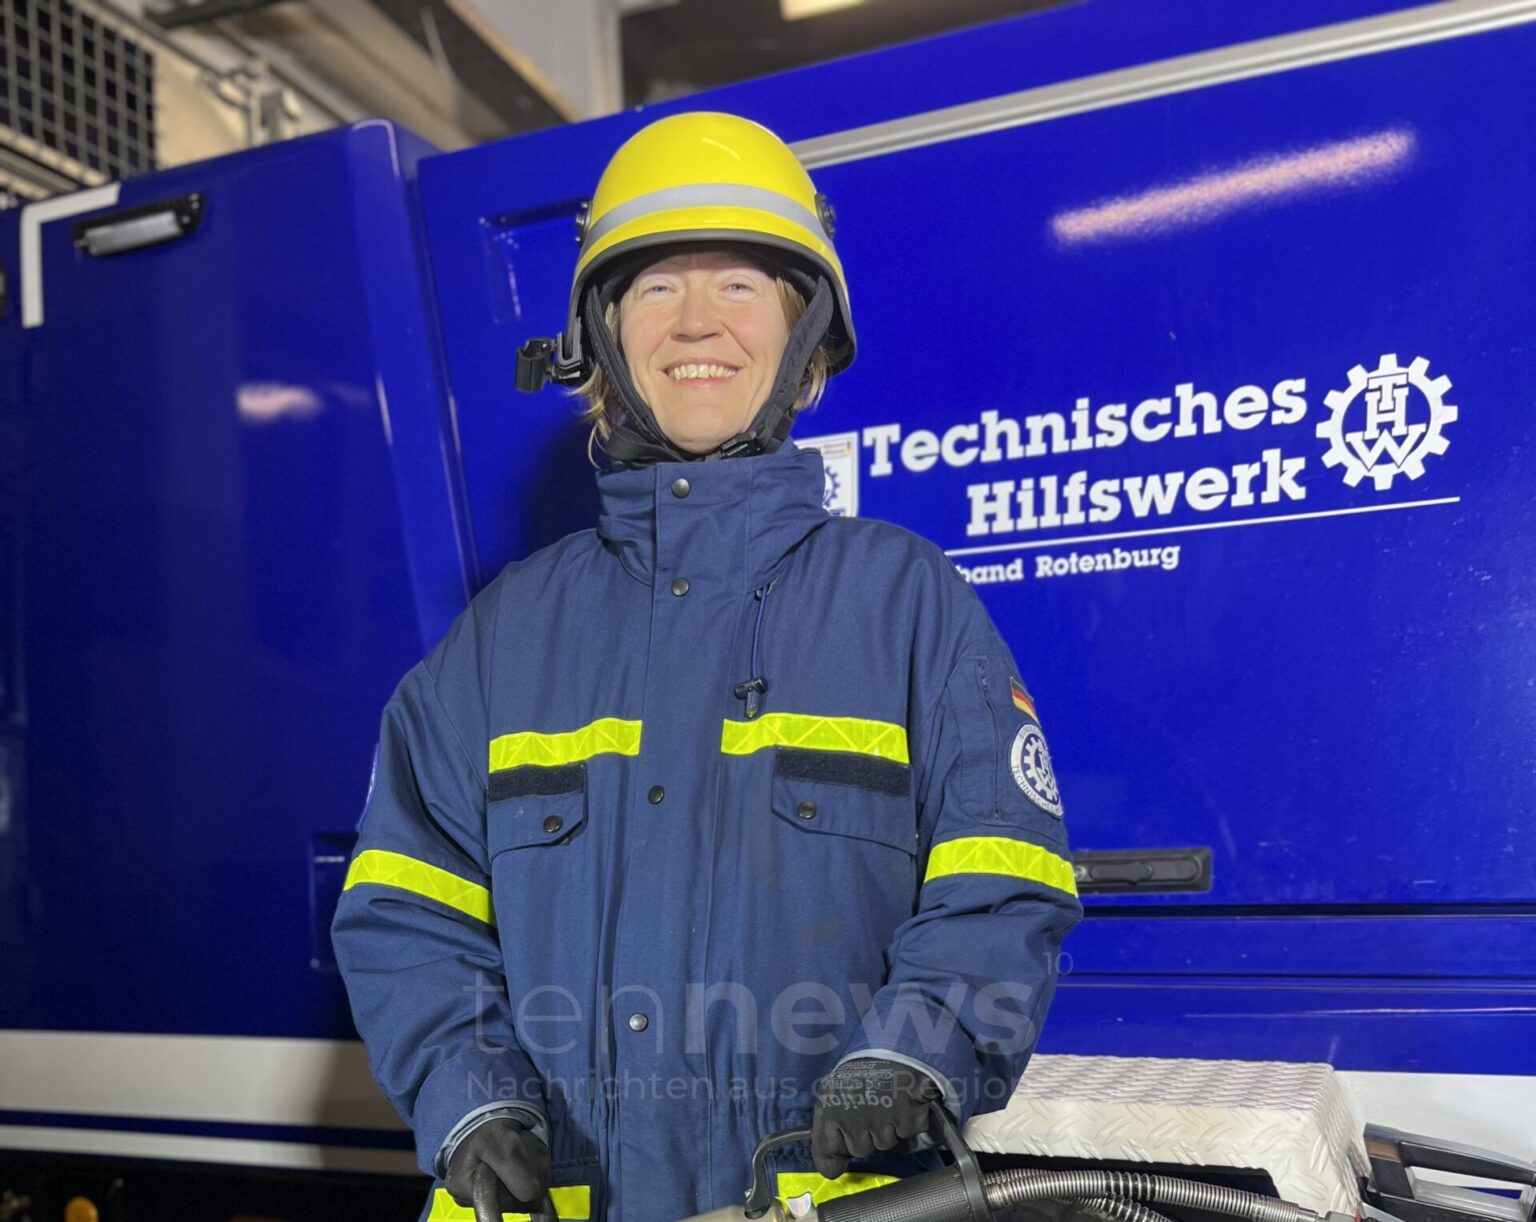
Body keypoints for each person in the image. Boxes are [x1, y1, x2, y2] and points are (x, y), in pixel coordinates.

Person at [332, 111, 1082, 1222]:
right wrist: (471, 1101)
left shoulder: (906, 603)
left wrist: (913, 1053)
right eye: (653, 287)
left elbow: (1004, 883)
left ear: (802, 331)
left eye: (740, 285)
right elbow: (405, 910)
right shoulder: (500, 640)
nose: (696, 322)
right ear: (600, 335)